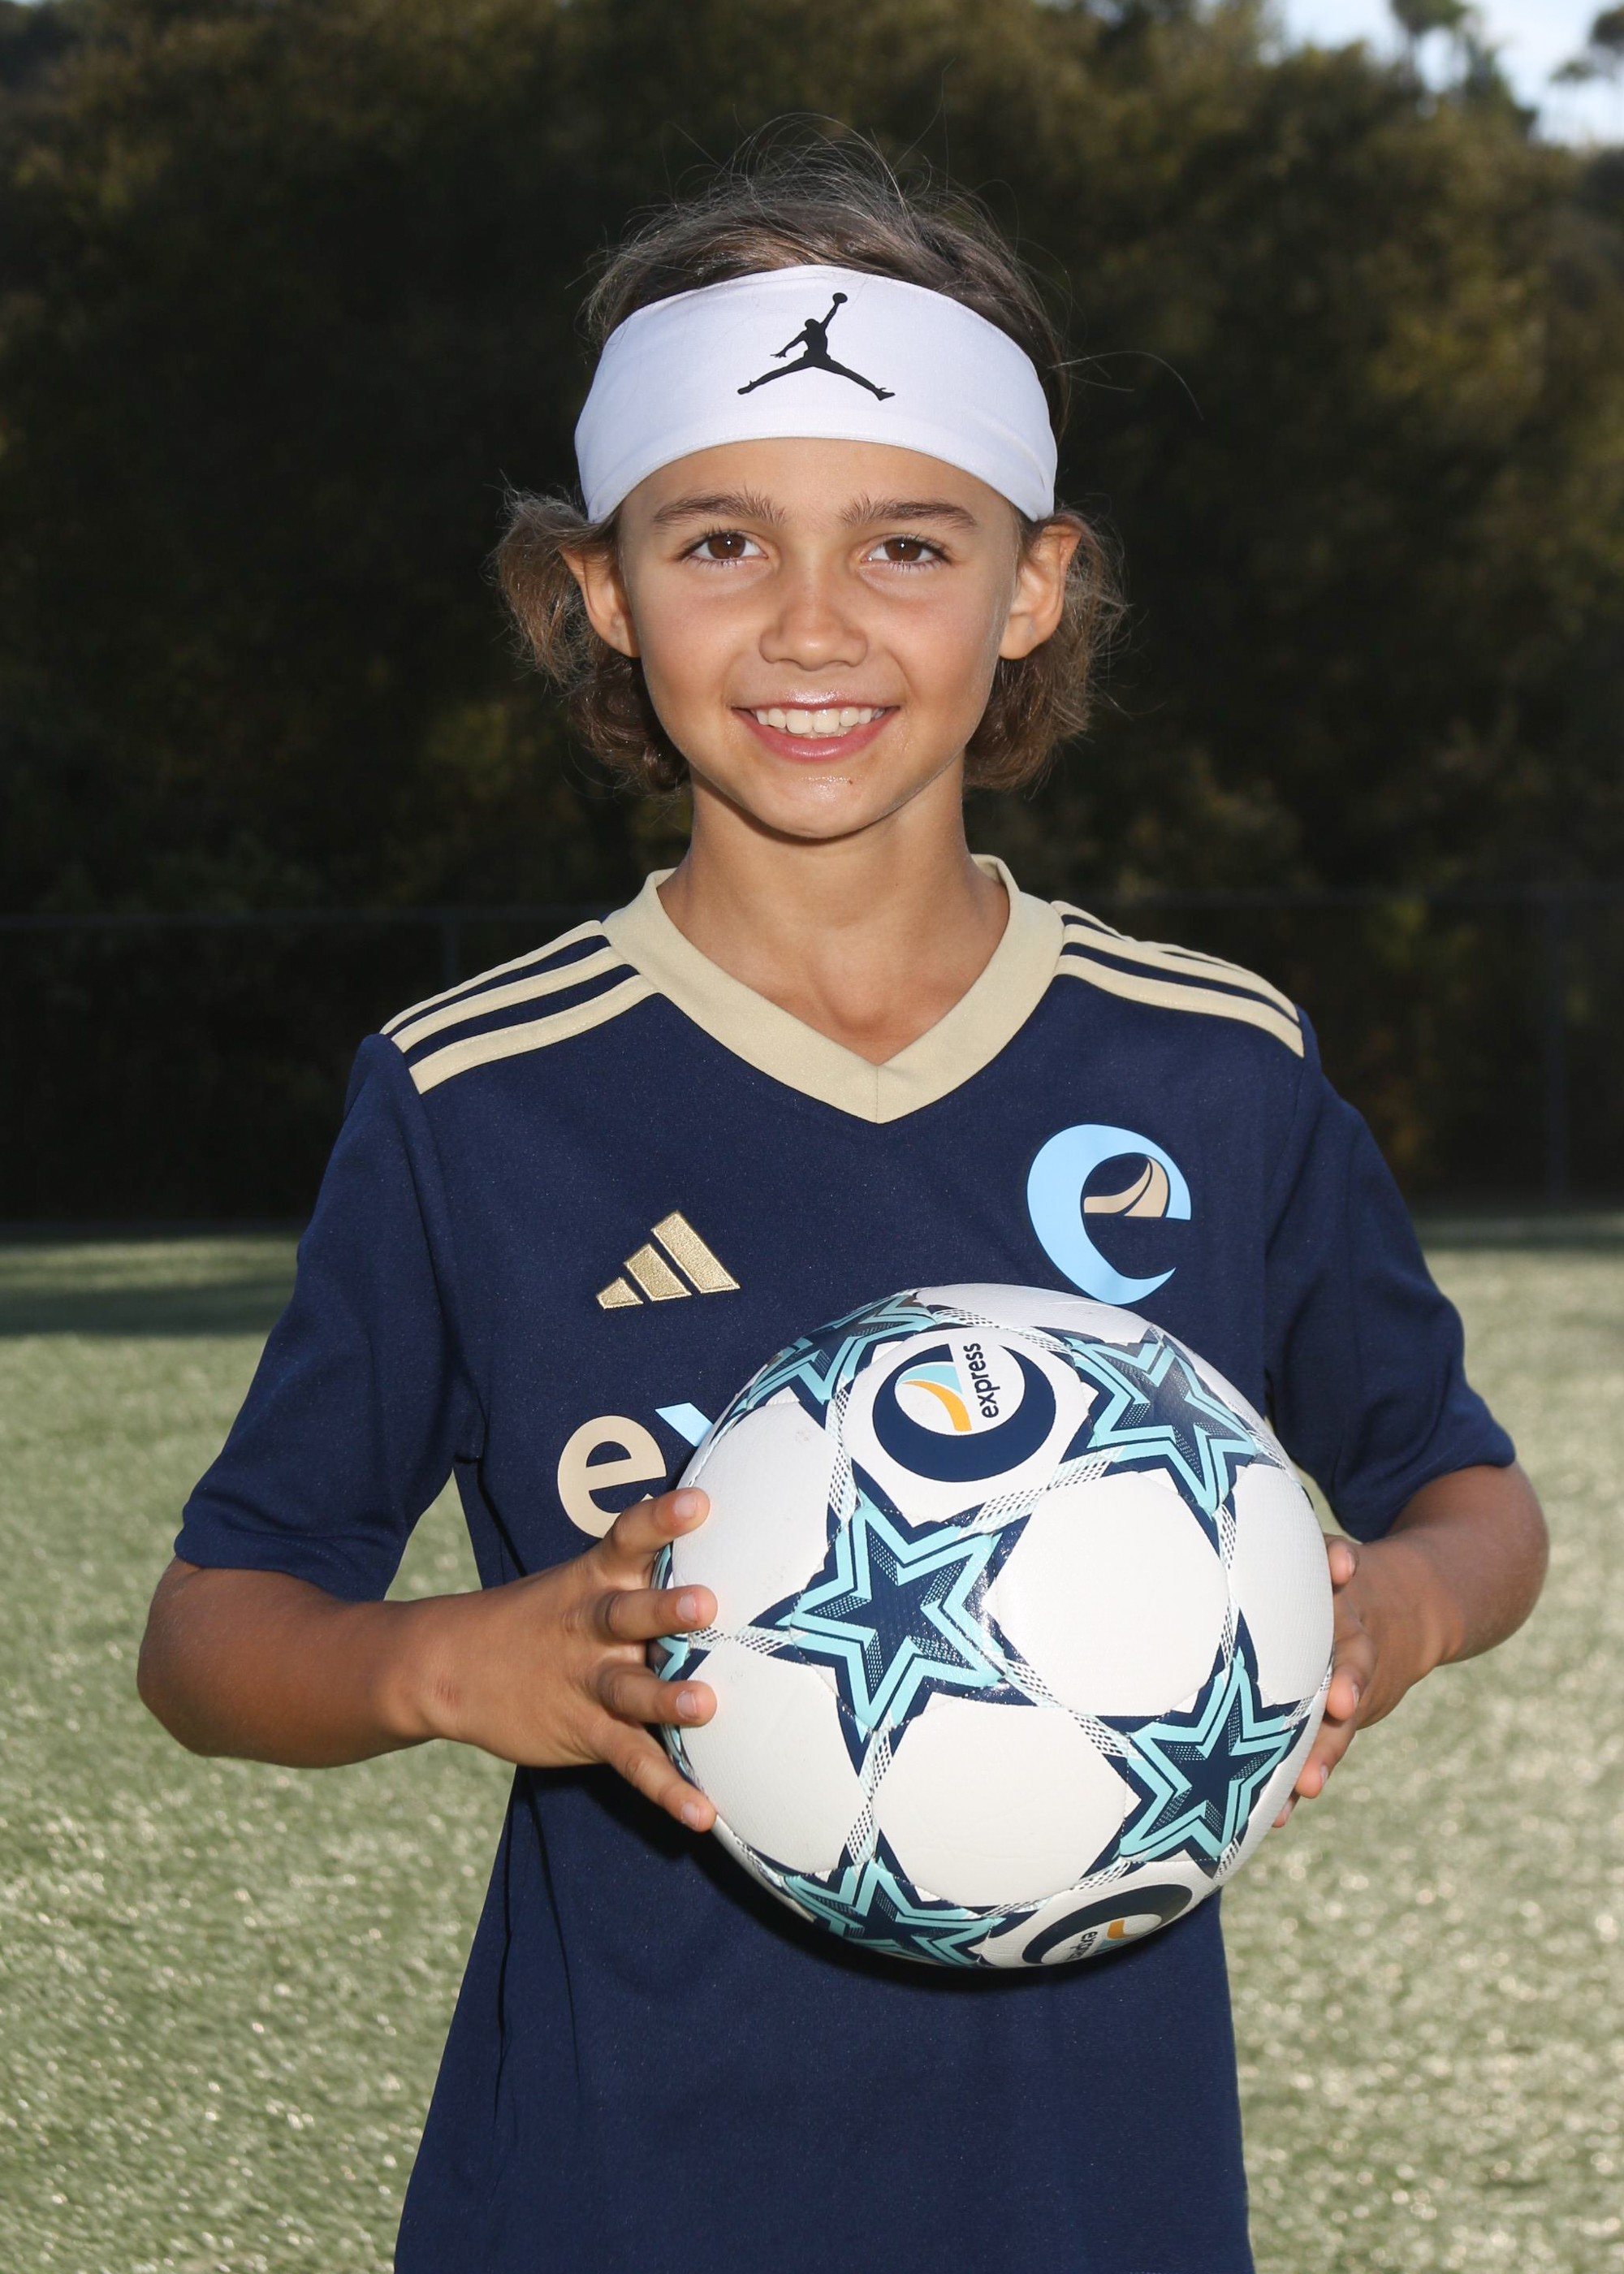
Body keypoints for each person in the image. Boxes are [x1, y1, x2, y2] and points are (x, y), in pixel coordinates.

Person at [136, 138, 1548, 2274]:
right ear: (606, 591)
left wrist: (1401, 1614)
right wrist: (442, 1661)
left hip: (1103, 2213)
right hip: (608, 2204)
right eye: (722, 540)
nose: (813, 625)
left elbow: (1468, 1494)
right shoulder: (474, 1097)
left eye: (908, 541)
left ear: (1033, 584)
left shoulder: (1215, 1065)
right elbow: (213, 1632)